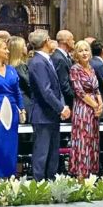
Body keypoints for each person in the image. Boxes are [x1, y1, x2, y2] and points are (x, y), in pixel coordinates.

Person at [28, 29, 70, 181]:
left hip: (51, 114)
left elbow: (56, 88)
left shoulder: (47, 59)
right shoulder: (38, 62)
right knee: (42, 152)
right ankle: (39, 184)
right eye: (50, 38)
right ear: (46, 41)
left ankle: (51, 182)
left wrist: (61, 107)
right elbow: (46, 91)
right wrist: (61, 108)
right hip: (42, 114)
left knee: (53, 152)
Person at [0, 38, 25, 178]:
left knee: (10, 143)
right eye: (4, 48)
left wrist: (21, 108)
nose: (8, 51)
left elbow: (17, 92)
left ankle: (9, 176)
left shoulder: (11, 70)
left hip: (12, 111)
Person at [69, 41, 103, 178]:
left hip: (94, 109)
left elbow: (96, 89)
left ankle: (90, 175)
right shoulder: (75, 69)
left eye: (86, 50)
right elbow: (79, 92)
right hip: (82, 108)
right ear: (76, 54)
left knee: (92, 140)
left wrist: (100, 105)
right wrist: (95, 105)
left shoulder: (92, 68)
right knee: (83, 140)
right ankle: (81, 175)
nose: (84, 53)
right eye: (81, 51)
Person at [7, 35, 32, 121]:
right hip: (25, 103)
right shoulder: (21, 67)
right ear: (19, 49)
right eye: (24, 45)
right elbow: (29, 84)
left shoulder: (8, 67)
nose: (26, 48)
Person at [52, 29, 75, 108]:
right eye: (72, 39)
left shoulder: (63, 56)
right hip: (66, 103)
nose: (74, 41)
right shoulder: (59, 58)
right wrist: (76, 98)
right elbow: (64, 85)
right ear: (66, 41)